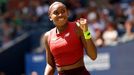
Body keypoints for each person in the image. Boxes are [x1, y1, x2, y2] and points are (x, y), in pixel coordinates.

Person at [42, 1, 97, 75]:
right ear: (50, 17)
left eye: (63, 11)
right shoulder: (47, 36)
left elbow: (93, 56)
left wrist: (86, 32)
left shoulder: (78, 27)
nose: (60, 14)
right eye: (56, 13)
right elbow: (50, 65)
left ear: (67, 13)